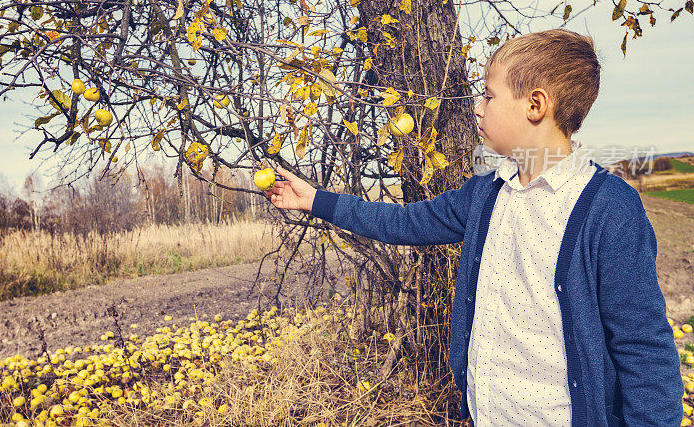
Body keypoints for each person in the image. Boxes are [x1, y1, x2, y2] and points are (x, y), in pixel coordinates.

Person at [264, 28, 683, 427]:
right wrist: (317, 200)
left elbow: (644, 348)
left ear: (535, 105)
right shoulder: (487, 193)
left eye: (488, 95)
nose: (478, 108)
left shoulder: (609, 209)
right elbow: (406, 222)